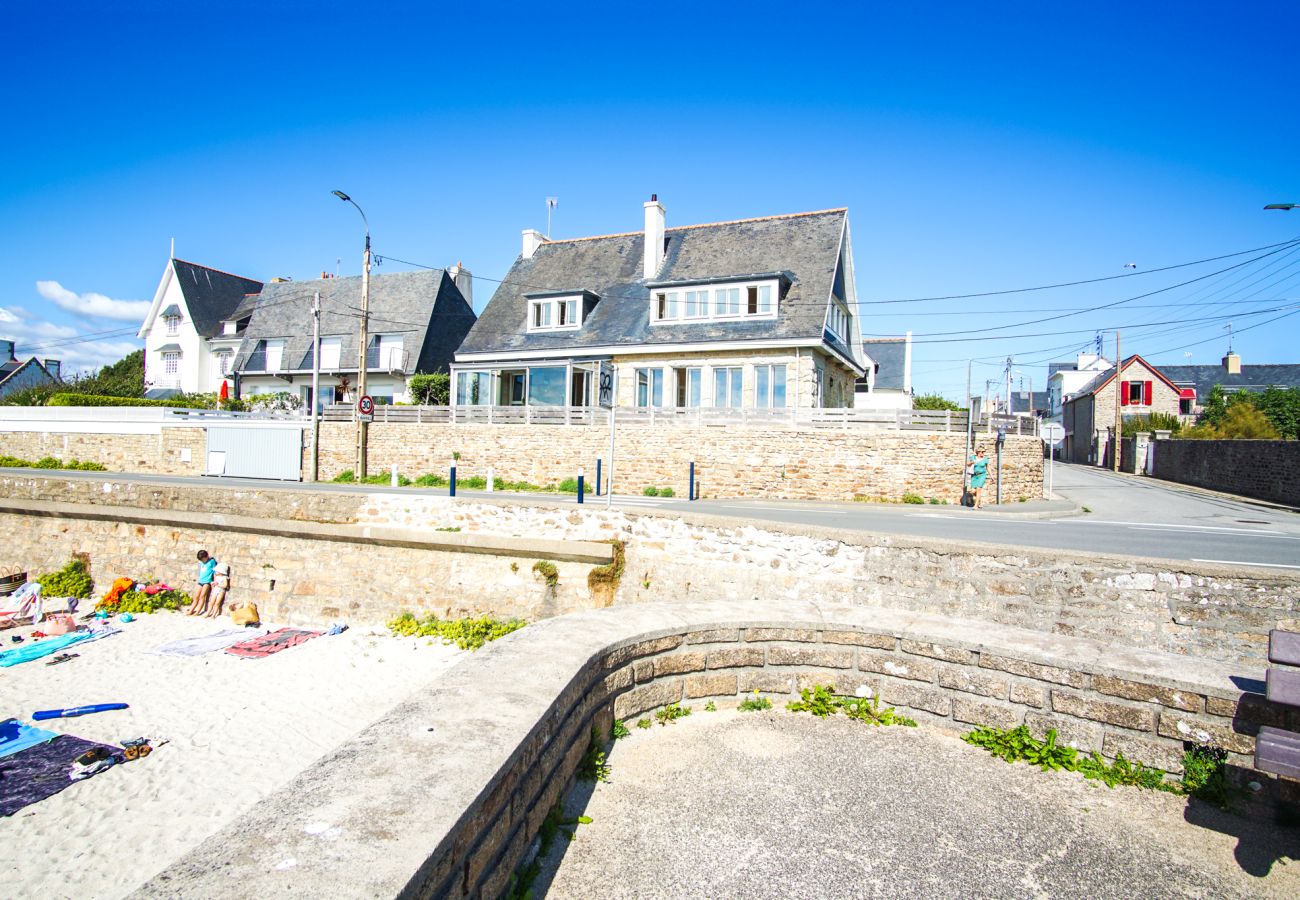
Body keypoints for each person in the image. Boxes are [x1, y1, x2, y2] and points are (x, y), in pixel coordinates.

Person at [187, 550, 218, 615]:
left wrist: (214, 581)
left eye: (203, 559)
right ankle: (191, 610)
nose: (202, 561)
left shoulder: (212, 562)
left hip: (207, 582)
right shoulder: (201, 562)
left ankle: (198, 611)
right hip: (200, 581)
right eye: (201, 560)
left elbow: (215, 572)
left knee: (202, 596)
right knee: (196, 596)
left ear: (206, 556)